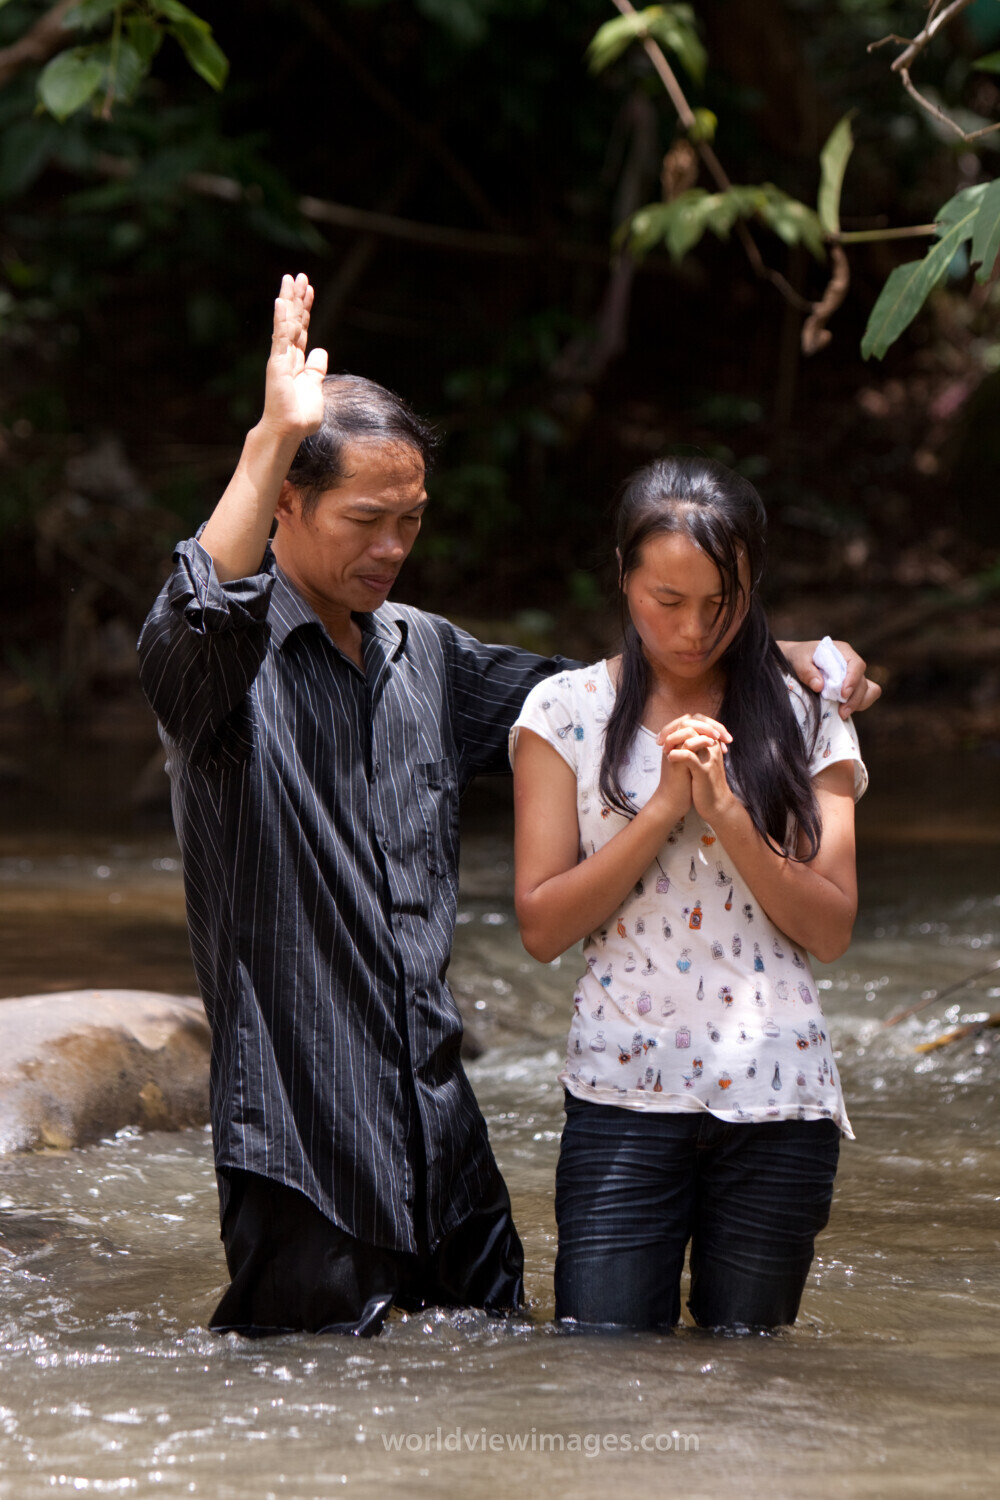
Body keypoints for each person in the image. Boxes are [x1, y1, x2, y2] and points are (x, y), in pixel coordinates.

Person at [138, 274, 878, 1338]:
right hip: (304, 1146)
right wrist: (268, 441)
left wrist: (785, 655)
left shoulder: (425, 655)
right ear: (288, 506)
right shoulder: (224, 673)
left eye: (411, 521)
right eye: (365, 521)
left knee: (507, 1383)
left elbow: (608, 692)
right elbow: (187, 623)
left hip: (443, 1136)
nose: (392, 548)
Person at [510, 455, 867, 1332]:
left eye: (723, 601)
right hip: (622, 1095)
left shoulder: (810, 708)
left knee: (748, 1386)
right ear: (624, 579)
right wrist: (666, 805)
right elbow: (542, 926)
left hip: (780, 1100)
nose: (695, 629)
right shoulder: (563, 712)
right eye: (667, 601)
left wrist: (729, 816)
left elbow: (830, 928)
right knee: (605, 1367)